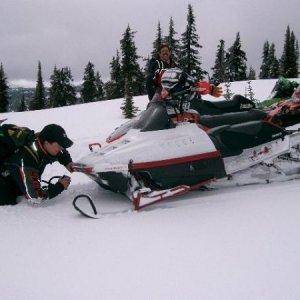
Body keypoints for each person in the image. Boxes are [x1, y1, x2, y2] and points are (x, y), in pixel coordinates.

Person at [0, 123, 74, 206]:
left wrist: (68, 162)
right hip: (5, 180)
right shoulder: (27, 158)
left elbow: (61, 152)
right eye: (59, 146)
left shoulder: (40, 141)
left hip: (19, 175)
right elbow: (35, 196)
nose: (61, 149)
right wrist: (59, 186)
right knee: (8, 200)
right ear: (46, 143)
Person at [146, 44, 222, 101]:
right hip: (158, 99)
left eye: (167, 51)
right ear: (159, 54)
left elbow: (186, 78)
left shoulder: (174, 66)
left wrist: (206, 88)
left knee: (191, 90)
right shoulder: (156, 63)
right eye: (163, 51)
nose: (165, 53)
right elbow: (158, 75)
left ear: (170, 53)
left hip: (174, 97)